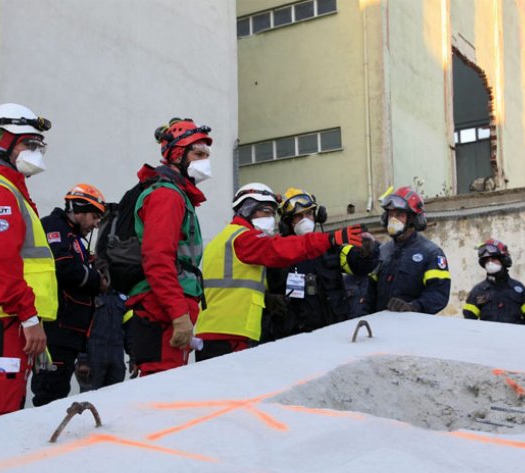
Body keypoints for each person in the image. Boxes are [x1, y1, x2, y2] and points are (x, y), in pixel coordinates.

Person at [195, 183, 364, 361]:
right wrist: (330, 238)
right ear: (247, 210)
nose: (270, 219)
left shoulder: (221, 239)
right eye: (266, 212)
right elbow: (279, 249)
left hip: (215, 331)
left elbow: (238, 283)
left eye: (272, 214)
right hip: (230, 334)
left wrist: (266, 298)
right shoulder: (244, 239)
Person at [0, 103, 57, 421]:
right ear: (1, 141)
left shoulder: (12, 192)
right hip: (6, 320)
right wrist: (29, 319)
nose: (36, 152)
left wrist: (30, 319)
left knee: (8, 413)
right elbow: (0, 266)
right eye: (29, 144)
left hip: (14, 320)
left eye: (38, 145)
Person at [123, 117, 212, 376]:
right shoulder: (167, 195)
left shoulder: (176, 194)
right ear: (177, 155)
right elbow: (158, 260)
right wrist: (178, 315)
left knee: (164, 392)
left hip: (165, 310)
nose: (205, 160)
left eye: (206, 154)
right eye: (198, 153)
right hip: (160, 311)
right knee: (160, 398)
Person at [262, 188, 379, 340]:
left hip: (334, 334)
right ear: (286, 223)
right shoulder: (275, 255)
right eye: (298, 216)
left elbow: (359, 265)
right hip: (294, 340)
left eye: (309, 214)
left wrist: (367, 252)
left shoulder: (329, 248)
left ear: (317, 217)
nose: (305, 220)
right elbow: (255, 293)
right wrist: (267, 300)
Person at [31, 184, 107, 406]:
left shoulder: (72, 236)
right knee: (49, 392)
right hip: (55, 329)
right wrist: (96, 280)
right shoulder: (54, 228)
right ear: (79, 209)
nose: (95, 224)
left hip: (68, 331)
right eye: (94, 217)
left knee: (58, 391)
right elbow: (63, 268)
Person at [366, 186, 451, 314]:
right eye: (390, 215)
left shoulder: (431, 253)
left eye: (399, 215)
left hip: (414, 329)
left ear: (413, 219)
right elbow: (368, 295)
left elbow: (438, 294)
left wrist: (414, 307)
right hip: (382, 328)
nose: (393, 220)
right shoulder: (382, 252)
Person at [463, 238, 525, 325]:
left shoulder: (519, 289)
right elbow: (468, 323)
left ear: (504, 261)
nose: (490, 263)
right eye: (487, 260)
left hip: (514, 338)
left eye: (493, 259)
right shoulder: (477, 291)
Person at [77, 290, 128, 391]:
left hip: (117, 359)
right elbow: (80, 329)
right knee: (90, 398)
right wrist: (82, 360)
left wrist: (134, 358)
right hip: (93, 359)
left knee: (115, 399)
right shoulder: (88, 295)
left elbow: (129, 330)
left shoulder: (121, 298)